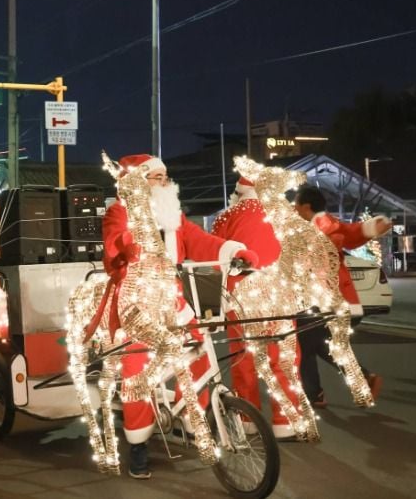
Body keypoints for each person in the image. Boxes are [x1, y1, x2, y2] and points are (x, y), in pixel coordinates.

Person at [97, 154, 255, 479]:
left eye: (165, 176)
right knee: (136, 369)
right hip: (135, 303)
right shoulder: (120, 211)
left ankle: (189, 416)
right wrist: (127, 243)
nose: (164, 182)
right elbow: (112, 247)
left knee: (199, 351)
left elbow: (200, 240)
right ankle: (138, 446)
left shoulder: (173, 216)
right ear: (140, 181)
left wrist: (234, 251)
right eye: (157, 177)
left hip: (173, 300)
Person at [212, 177, 297, 439]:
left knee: (243, 358)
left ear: (238, 193)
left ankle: (248, 419)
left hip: (240, 295)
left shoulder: (228, 216)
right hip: (277, 292)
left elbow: (214, 253)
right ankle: (286, 421)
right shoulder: (284, 213)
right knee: (282, 358)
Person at [293, 184, 390, 407]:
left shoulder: (324, 225)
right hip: (326, 300)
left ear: (306, 206)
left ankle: (317, 393)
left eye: (296, 203)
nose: (294, 207)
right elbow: (352, 232)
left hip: (325, 301)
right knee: (316, 345)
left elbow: (347, 233)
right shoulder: (316, 225)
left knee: (307, 344)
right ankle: (355, 380)